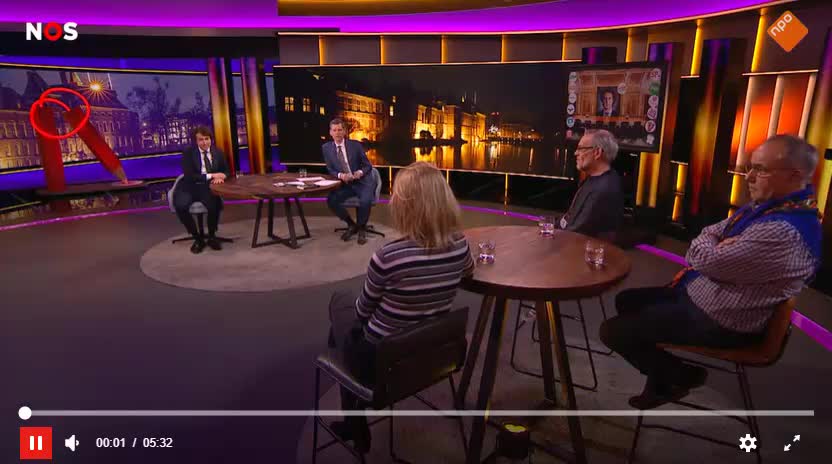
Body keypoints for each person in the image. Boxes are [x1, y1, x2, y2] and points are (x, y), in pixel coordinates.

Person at [600, 134, 822, 410]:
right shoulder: (772, 208)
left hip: (724, 320)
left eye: (760, 169)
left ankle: (682, 376)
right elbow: (711, 232)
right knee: (627, 301)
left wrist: (712, 247)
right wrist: (714, 244)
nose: (749, 177)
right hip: (705, 295)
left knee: (613, 331)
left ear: (794, 175)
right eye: (750, 167)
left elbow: (703, 259)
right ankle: (662, 378)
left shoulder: (783, 230)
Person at [326, 161, 475, 453]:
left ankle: (354, 420)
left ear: (407, 206)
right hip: (433, 355)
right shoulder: (460, 244)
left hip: (384, 363)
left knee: (340, 307)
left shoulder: (388, 256)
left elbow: (362, 313)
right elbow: (468, 273)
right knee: (345, 326)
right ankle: (353, 411)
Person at [558, 129, 623, 240]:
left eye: (581, 149)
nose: (575, 153)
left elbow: (578, 233)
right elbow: (570, 218)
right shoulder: (596, 179)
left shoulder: (603, 189)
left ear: (597, 153)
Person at [174, 126, 229, 254]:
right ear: (196, 141)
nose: (204, 142)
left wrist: (222, 176)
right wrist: (212, 175)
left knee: (215, 205)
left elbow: (226, 171)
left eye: (206, 139)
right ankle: (197, 238)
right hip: (189, 186)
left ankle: (211, 236)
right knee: (180, 206)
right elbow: (189, 175)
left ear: (211, 139)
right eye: (201, 139)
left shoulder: (218, 152)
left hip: (207, 187)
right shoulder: (188, 153)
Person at [322, 118, 375, 245]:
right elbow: (330, 169)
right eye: (334, 130)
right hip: (346, 184)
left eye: (340, 130)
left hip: (362, 182)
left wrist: (359, 173)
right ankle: (351, 224)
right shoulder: (326, 148)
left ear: (344, 131)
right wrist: (340, 175)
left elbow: (367, 166)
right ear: (330, 132)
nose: (337, 133)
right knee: (331, 200)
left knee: (365, 201)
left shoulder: (355, 145)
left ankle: (361, 228)